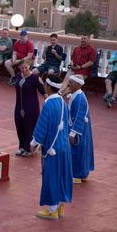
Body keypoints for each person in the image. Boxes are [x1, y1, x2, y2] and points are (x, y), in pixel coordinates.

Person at [30, 75, 73, 220]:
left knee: (51, 177)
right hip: (64, 146)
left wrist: (34, 143)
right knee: (62, 176)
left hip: (52, 149)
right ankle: (60, 207)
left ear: (48, 87)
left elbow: (42, 126)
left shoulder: (48, 104)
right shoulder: (63, 101)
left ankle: (52, 210)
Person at [13, 60, 46, 157]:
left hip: (31, 107)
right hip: (19, 106)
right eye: (22, 68)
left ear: (29, 66)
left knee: (29, 127)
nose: (24, 69)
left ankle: (29, 148)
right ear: (19, 68)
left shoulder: (35, 78)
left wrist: (49, 103)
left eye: (26, 67)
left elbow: (44, 92)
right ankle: (22, 147)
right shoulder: (18, 75)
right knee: (19, 125)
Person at [67, 75, 94, 184]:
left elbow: (79, 117)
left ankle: (77, 175)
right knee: (83, 151)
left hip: (79, 130)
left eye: (71, 83)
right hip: (80, 129)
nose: (69, 84)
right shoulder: (76, 95)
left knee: (77, 151)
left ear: (78, 85)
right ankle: (84, 174)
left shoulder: (80, 99)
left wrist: (72, 134)